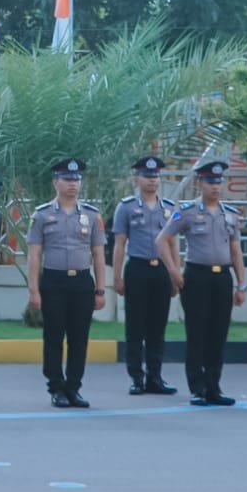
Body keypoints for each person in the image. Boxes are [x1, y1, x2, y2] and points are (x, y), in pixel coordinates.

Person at [157, 160, 247, 406]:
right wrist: (174, 272)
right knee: (197, 334)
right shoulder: (187, 211)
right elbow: (162, 240)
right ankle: (197, 388)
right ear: (200, 183)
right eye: (210, 182)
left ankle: (214, 387)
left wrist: (241, 285)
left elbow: (236, 251)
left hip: (222, 278)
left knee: (218, 335)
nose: (215, 187)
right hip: (197, 276)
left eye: (219, 182)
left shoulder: (230, 214)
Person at [26, 159, 107, 408]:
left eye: (77, 179)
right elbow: (34, 254)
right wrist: (34, 290)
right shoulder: (42, 215)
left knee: (79, 338)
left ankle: (74, 388)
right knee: (53, 337)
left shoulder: (92, 216)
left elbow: (98, 254)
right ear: (56, 182)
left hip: (82, 282)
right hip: (53, 281)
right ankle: (56, 388)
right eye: (67, 179)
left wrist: (101, 289)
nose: (73, 184)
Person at [112, 155, 178, 395]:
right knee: (135, 326)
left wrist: (175, 274)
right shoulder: (126, 207)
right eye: (147, 176)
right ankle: (136, 378)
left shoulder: (170, 208)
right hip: (137, 269)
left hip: (161, 270)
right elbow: (119, 243)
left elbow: (173, 245)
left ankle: (155, 377)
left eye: (155, 176)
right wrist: (117, 276)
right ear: (137, 178)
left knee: (157, 326)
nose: (152, 180)